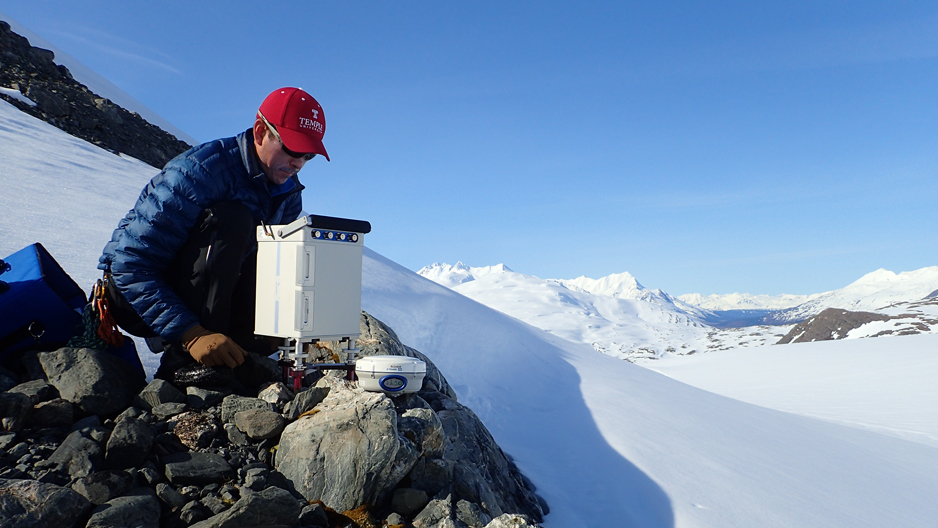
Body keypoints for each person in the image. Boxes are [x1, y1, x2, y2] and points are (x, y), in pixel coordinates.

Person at [98, 87, 329, 385]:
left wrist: (282, 325)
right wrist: (192, 334)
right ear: (260, 132)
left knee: (276, 247)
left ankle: (239, 357)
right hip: (136, 296)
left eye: (307, 155)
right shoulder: (198, 173)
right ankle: (182, 367)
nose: (298, 163)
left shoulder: (286, 192)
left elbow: (272, 270)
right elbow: (130, 264)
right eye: (293, 149)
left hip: (211, 294)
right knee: (233, 219)